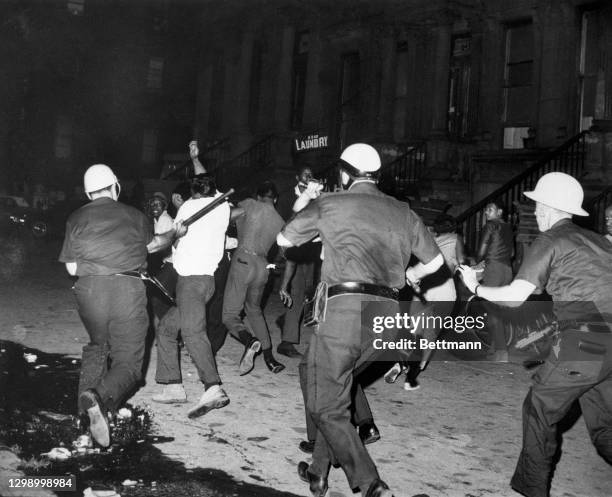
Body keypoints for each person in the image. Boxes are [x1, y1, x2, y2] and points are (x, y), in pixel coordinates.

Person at [277, 143, 444, 497]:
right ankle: (319, 473)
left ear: (343, 173)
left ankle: (371, 484)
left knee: (324, 402)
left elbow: (284, 240)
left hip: (345, 312)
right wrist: (410, 274)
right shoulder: (402, 210)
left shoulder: (332, 204)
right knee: (327, 383)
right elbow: (435, 265)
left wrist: (310, 199)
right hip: (387, 317)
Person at [458, 172, 612, 497]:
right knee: (605, 429)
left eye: (538, 204)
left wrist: (476, 287)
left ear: (548, 207)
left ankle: (531, 491)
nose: (536, 211)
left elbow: (515, 296)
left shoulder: (550, 240)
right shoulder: (598, 240)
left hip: (587, 339)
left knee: (538, 409)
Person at [59, 164, 183, 447]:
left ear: (89, 192)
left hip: (89, 290)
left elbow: (71, 268)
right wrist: (174, 233)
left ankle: (83, 419)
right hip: (126, 289)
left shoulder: (75, 217)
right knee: (128, 364)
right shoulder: (136, 216)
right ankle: (98, 400)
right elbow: (154, 246)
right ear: (115, 186)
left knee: (97, 346)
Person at [153, 174, 231, 418]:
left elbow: (174, 240)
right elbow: (210, 185)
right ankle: (173, 385)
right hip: (207, 282)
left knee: (192, 332)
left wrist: (178, 232)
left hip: (190, 282)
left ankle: (213, 387)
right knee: (166, 329)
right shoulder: (222, 207)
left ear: (193, 192)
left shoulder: (187, 206)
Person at [386, 214, 467, 390]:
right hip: (444, 290)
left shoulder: (428, 239)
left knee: (413, 330)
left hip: (423, 287)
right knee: (430, 334)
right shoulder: (456, 238)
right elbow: (462, 261)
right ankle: (412, 376)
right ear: (453, 228)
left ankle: (399, 363)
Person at [222, 181, 286, 375]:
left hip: (243, 260)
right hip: (263, 266)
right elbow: (283, 254)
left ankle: (249, 341)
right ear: (275, 199)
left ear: (258, 196)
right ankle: (270, 359)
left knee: (229, 315)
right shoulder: (280, 220)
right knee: (255, 310)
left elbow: (227, 217)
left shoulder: (249, 204)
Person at [277, 166, 320, 358]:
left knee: (306, 294)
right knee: (296, 293)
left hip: (310, 252)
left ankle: (285, 321)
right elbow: (283, 224)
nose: (309, 177)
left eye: (311, 174)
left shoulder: (316, 197)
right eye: (305, 174)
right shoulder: (287, 197)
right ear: (297, 176)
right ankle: (287, 341)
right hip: (291, 250)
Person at [476, 200, 514, 361]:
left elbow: (482, 249)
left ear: (499, 212)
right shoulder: (509, 228)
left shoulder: (491, 225)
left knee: (491, 309)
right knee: (499, 309)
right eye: (486, 210)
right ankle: (494, 348)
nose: (486, 212)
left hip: (494, 269)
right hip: (507, 269)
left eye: (490, 209)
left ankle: (501, 351)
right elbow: (512, 253)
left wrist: (477, 262)